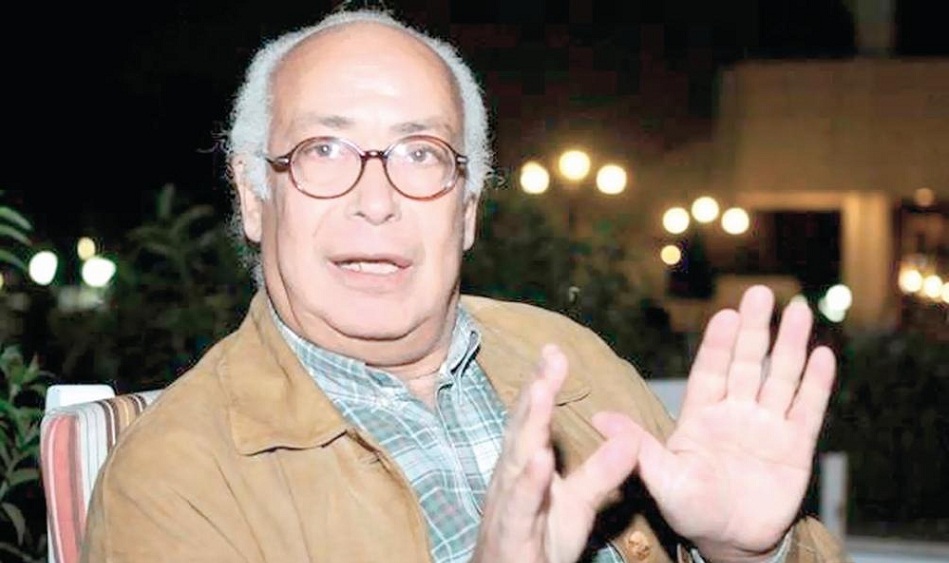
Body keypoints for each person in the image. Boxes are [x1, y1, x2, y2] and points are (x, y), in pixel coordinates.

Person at [82, 8, 847, 563]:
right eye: (324, 149)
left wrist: (748, 550)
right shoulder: (174, 477)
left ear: (468, 206)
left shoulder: (569, 360)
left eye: (420, 154)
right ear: (254, 194)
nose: (375, 201)